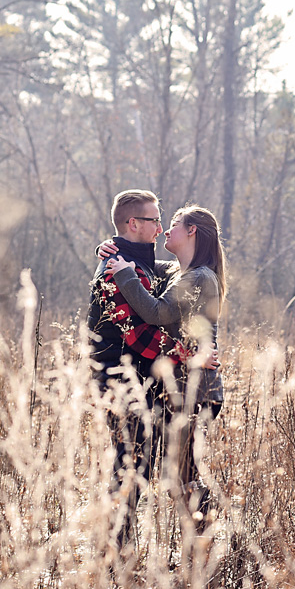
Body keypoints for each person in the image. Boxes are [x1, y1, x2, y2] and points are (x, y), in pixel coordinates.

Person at [88, 190, 200, 552]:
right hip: (119, 383)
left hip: (146, 384)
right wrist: (187, 354)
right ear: (133, 223)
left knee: (155, 463)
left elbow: (178, 274)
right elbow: (138, 336)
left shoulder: (144, 265)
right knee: (131, 465)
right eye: (154, 220)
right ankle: (114, 552)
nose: (161, 227)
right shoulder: (112, 270)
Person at [104, 205, 227, 534]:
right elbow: (142, 264)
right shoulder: (179, 272)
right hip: (182, 386)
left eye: (173, 224)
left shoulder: (200, 277)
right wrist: (110, 250)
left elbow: (157, 312)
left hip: (196, 388)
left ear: (192, 232)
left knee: (181, 477)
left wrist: (123, 274)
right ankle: (207, 542)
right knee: (180, 474)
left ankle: (214, 540)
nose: (164, 230)